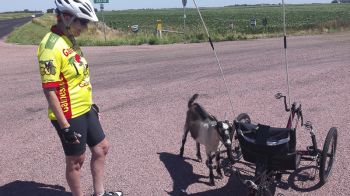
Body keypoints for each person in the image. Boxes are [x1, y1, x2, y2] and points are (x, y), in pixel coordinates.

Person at [37, 0, 122, 196]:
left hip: (84, 108)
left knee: (102, 148)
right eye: (82, 22)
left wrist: (91, 104)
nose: (85, 27)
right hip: (68, 112)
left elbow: (79, 77)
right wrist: (65, 126)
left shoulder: (69, 40)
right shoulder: (50, 47)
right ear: (67, 18)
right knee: (77, 161)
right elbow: (50, 91)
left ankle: (99, 194)